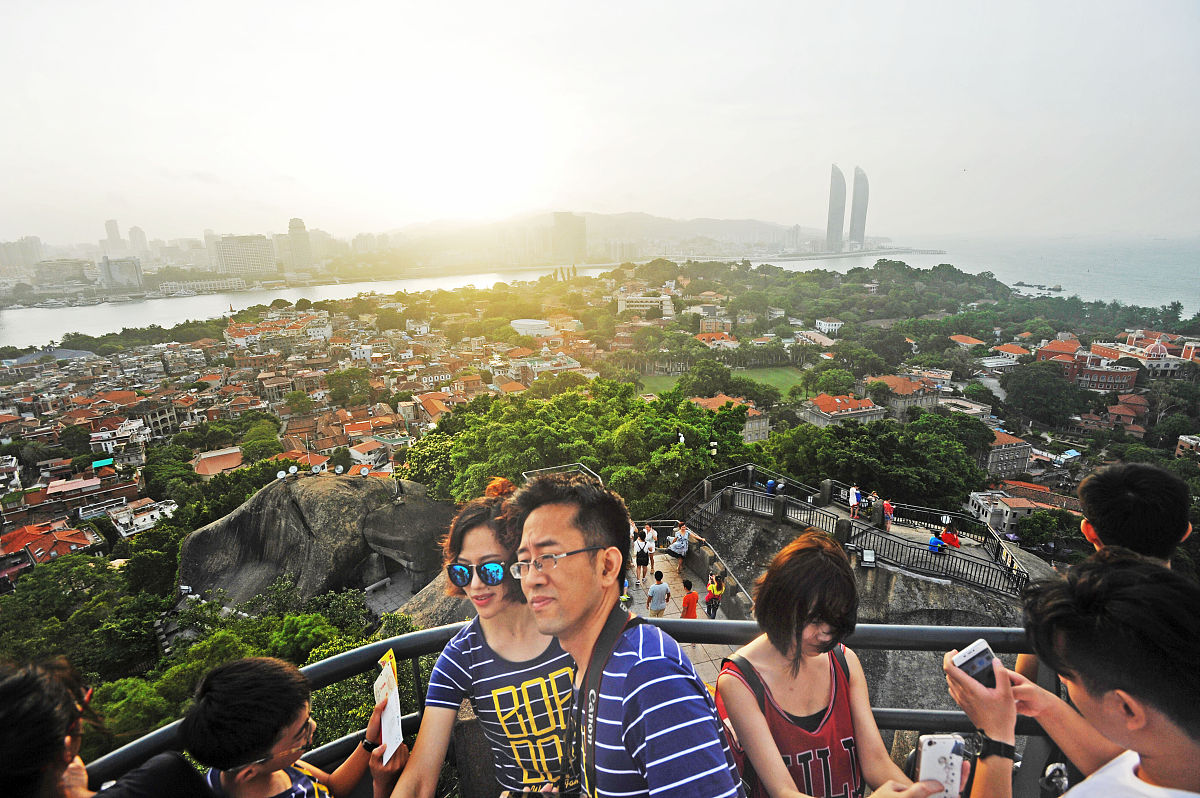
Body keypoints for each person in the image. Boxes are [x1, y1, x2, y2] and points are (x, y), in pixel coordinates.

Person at [510, 472, 744, 798]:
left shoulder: (649, 676)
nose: (531, 579)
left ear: (607, 566)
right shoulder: (595, 662)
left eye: (547, 558)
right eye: (524, 562)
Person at [943, 547, 1200, 797]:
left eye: (1067, 676)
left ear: (1127, 709)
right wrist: (1045, 706)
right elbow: (1119, 766)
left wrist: (995, 737)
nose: (1062, 679)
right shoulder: (1171, 758)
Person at [392, 478, 576, 798]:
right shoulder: (461, 658)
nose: (475, 585)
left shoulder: (573, 625)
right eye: (462, 571)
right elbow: (420, 776)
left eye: (490, 569)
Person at [715, 530, 931, 798]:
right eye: (816, 620)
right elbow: (783, 791)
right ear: (781, 603)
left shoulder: (844, 661)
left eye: (834, 622)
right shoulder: (739, 681)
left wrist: (922, 793)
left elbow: (876, 763)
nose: (826, 635)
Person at [181, 656, 403, 798]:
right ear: (249, 772)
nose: (313, 726)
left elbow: (330, 787)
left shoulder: (239, 761)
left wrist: (368, 742)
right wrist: (383, 785)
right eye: (301, 733)